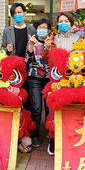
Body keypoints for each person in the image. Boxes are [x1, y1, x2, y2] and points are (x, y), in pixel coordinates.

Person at [26, 19, 52, 148]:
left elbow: (54, 60)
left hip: (49, 79)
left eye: (45, 27)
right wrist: (30, 47)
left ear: (48, 30)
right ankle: (34, 135)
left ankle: (50, 134)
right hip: (34, 78)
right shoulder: (32, 41)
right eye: (40, 27)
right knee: (36, 108)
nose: (42, 29)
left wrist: (49, 47)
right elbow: (27, 60)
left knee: (49, 108)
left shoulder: (52, 42)